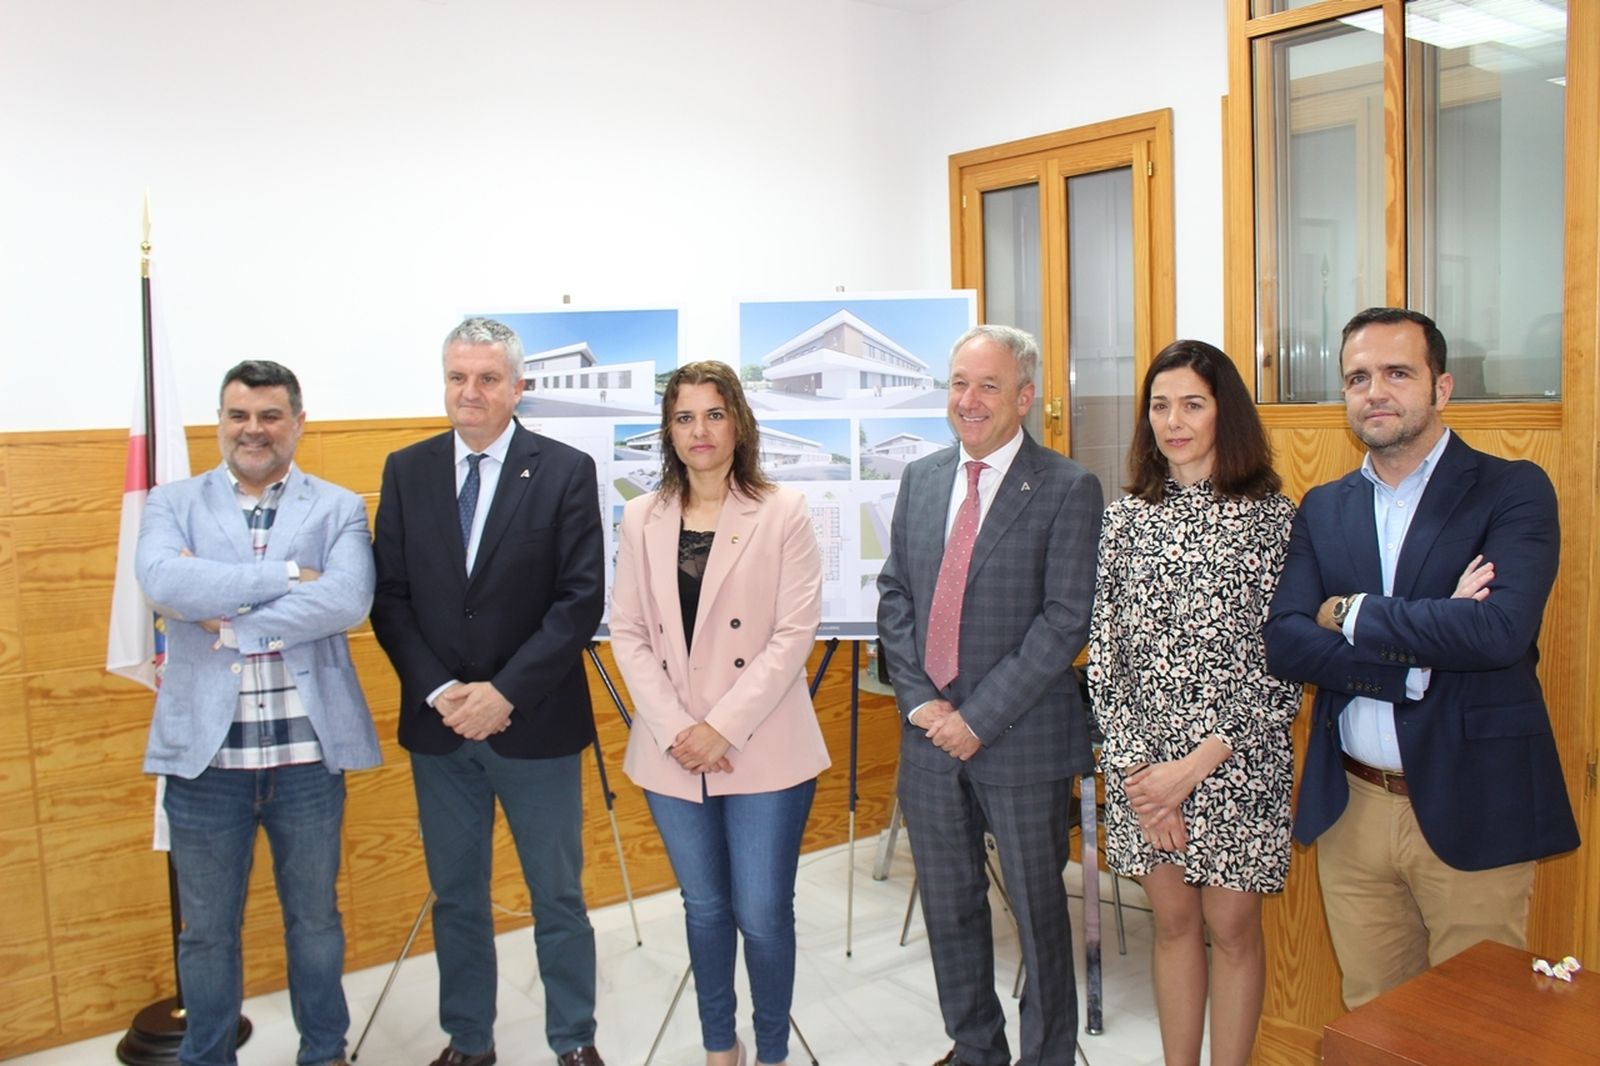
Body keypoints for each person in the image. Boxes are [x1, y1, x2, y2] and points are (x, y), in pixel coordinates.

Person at [1264, 307, 1579, 1008]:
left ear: (1441, 387)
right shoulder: (1323, 506)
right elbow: (1286, 639)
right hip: (1352, 806)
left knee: (1475, 1026)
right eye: (1357, 377)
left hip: (1474, 798)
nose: (1375, 391)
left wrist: (1350, 613)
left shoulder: (1512, 490)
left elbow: (1498, 631)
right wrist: (1416, 656)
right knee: (1375, 1016)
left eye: (1397, 373)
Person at [370, 318, 607, 1066]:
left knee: (559, 899)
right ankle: (468, 1041)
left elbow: (579, 601)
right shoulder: (406, 471)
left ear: (518, 388)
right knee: (457, 897)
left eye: (487, 378)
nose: (469, 392)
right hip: (440, 730)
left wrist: (503, 692)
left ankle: (573, 1040)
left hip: (532, 724)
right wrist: (442, 689)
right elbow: (391, 598)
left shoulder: (565, 470)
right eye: (456, 377)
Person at [136, 360, 378, 1066]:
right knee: (207, 932)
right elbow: (163, 581)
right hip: (206, 763)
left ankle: (324, 1052)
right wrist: (282, 578)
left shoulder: (336, 507)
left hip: (307, 759)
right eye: (239, 414)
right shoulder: (171, 503)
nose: (254, 429)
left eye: (271, 415)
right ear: (219, 422)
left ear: (297, 424)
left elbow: (346, 601)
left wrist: (237, 621)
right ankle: (208, 1056)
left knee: (315, 922)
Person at [877, 324, 1103, 1066]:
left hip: (1020, 739)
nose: (968, 402)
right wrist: (921, 703)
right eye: (958, 384)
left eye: (988, 386)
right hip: (929, 740)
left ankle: (1047, 1055)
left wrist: (978, 717)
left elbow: (1066, 618)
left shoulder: (1069, 487)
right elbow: (897, 597)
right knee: (950, 908)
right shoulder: (923, 478)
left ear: (1025, 396)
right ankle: (975, 1048)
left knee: (1040, 914)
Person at [1086, 340, 1301, 1066]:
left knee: (1233, 928)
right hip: (1144, 774)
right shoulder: (1125, 520)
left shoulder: (1272, 519)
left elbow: (1283, 665)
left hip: (1235, 763)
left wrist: (1194, 768)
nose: (1173, 421)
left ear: (1224, 414)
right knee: (1172, 925)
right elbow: (1106, 659)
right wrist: (1144, 777)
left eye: (1192, 404)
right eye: (1159, 406)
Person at [610, 361, 830, 1066]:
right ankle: (718, 1047)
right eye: (683, 417)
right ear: (667, 432)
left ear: (738, 421)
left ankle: (771, 1051)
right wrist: (682, 731)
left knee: (762, 916)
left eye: (712, 414)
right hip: (672, 750)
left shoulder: (782, 511)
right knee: (704, 910)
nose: (698, 431)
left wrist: (720, 729)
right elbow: (629, 632)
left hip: (763, 745)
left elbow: (793, 636)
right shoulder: (642, 517)